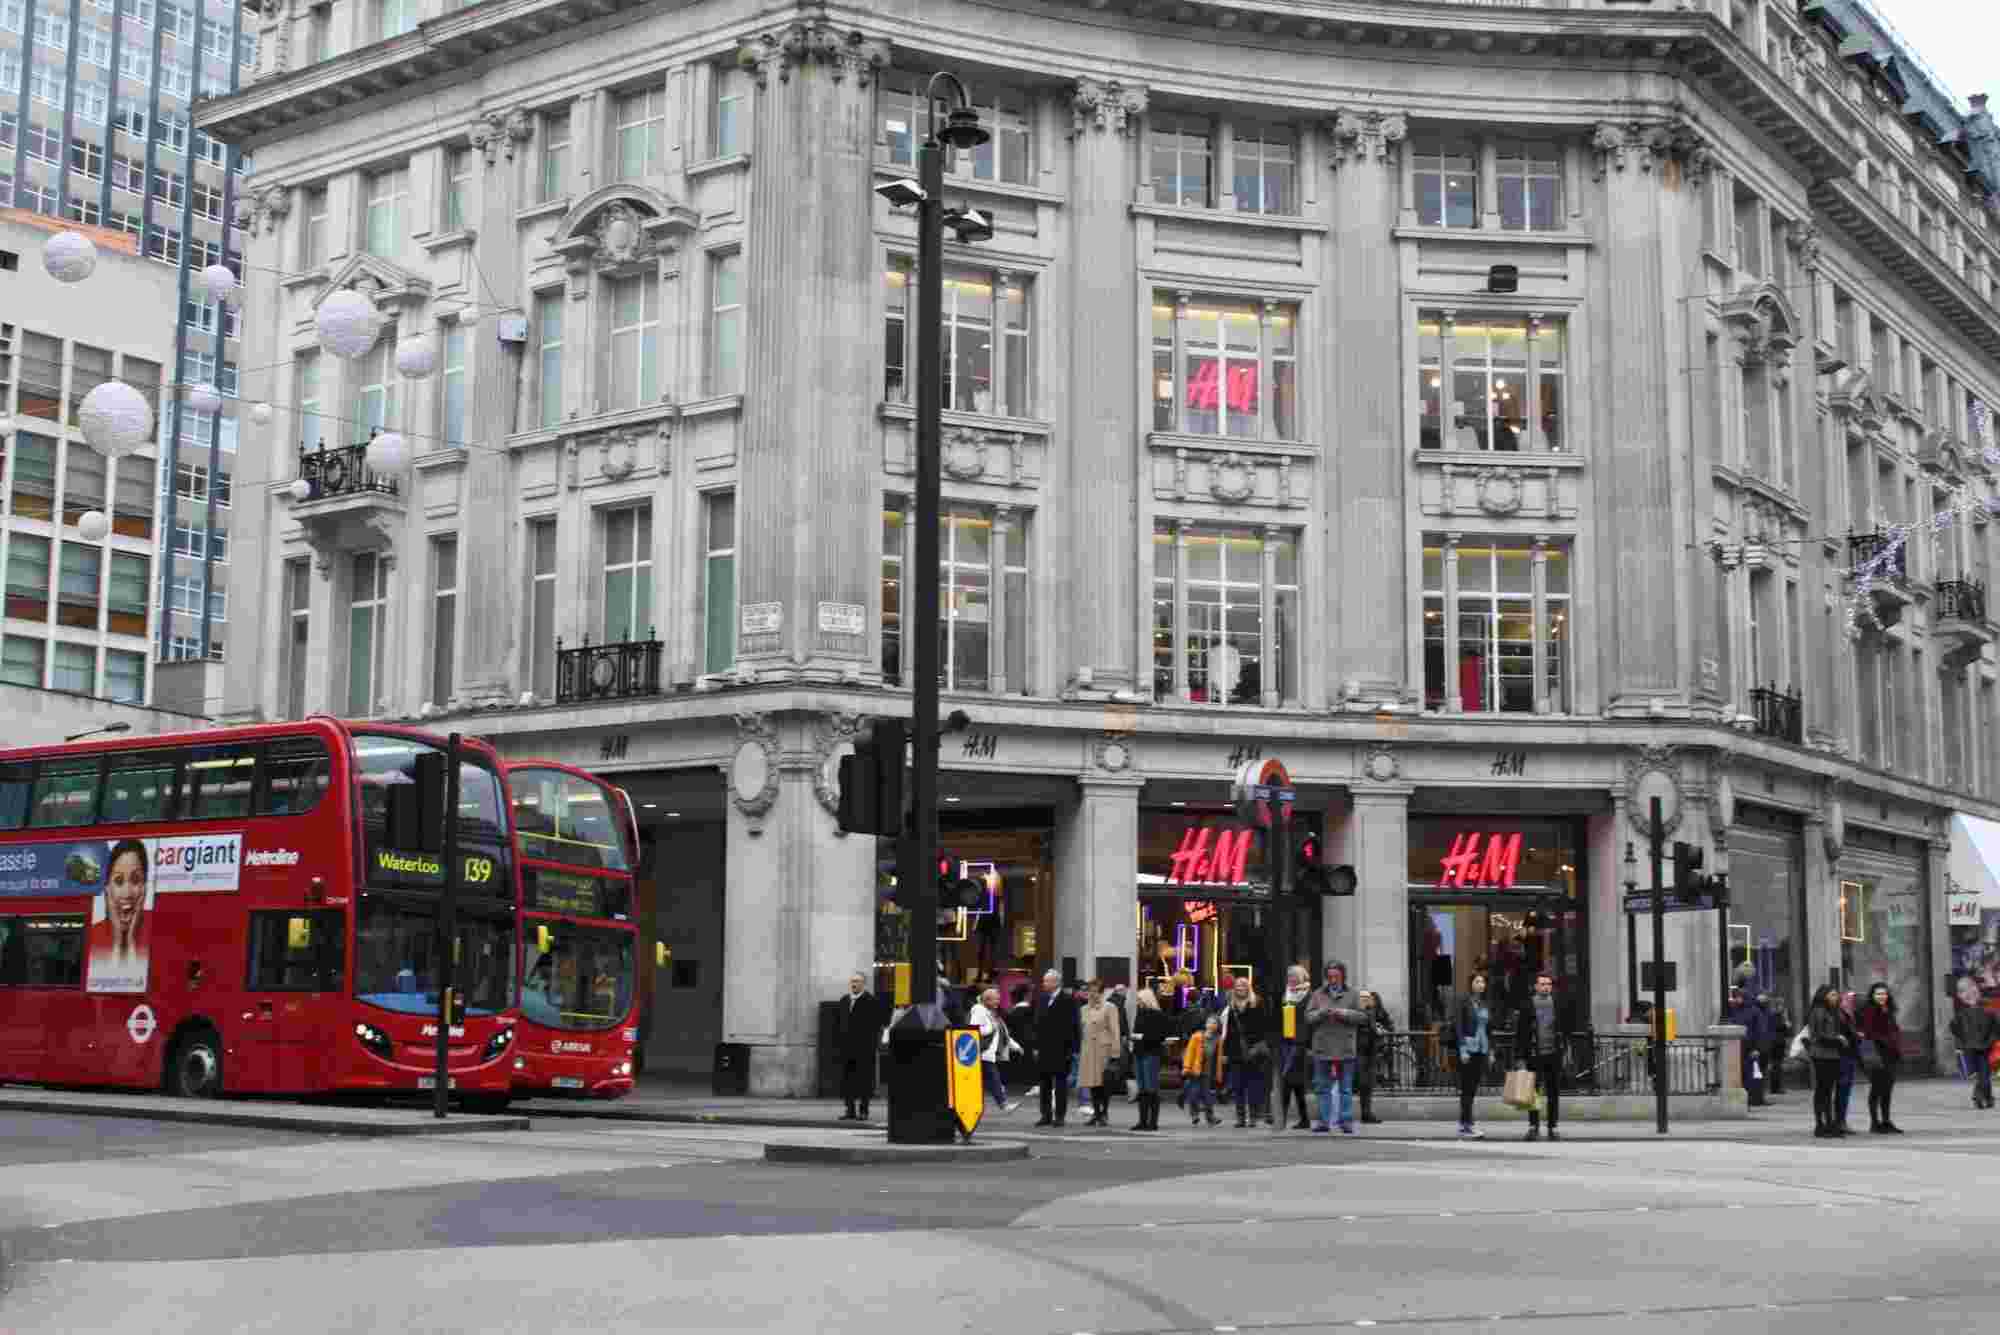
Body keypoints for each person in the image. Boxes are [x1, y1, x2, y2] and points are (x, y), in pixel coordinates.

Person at [1510, 972, 1575, 1142]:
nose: (1545, 986)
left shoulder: (1558, 1003)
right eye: (1542, 984)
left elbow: (1566, 1028)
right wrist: (1520, 1057)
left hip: (1554, 1053)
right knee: (1533, 1092)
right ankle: (1533, 1127)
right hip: (1534, 1053)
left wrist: (1566, 1050)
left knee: (1554, 1092)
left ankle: (1553, 1127)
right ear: (1536, 986)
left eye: (1548, 984)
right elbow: (1521, 1033)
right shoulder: (1528, 1005)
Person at [1303, 960, 1365, 1134]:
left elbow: (1362, 1017)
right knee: (1322, 1087)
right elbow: (1308, 1017)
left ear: (1342, 976)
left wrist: (1345, 1013)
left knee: (1346, 1088)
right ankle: (1324, 1121)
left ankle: (1345, 1121)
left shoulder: (1353, 994)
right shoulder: (1317, 994)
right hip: (1323, 1047)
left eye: (1336, 976)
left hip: (1345, 1046)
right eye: (1330, 976)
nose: (1333, 979)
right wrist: (1321, 1012)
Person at [85, 839, 150, 994]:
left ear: (145, 886)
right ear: (107, 889)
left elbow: (136, 987)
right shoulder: (97, 931)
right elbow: (105, 989)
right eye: (119, 881)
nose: (127, 894)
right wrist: (117, 943)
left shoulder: (155, 925)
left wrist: (131, 941)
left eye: (135, 880)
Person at [1218, 976, 1274, 1128]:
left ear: (1248, 987)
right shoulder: (1232, 1006)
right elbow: (1228, 1031)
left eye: (1243, 985)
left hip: (1254, 1050)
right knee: (1238, 1086)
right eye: (1237, 986)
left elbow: (1265, 1026)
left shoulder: (1258, 1003)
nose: (1239, 988)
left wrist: (1260, 1044)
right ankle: (1240, 1117)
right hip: (1236, 1051)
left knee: (1254, 1085)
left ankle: (1253, 1117)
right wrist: (1225, 1053)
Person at [1032, 970, 1082, 1127]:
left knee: (1060, 1084)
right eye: (1044, 981)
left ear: (1056, 983)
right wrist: (1036, 1046)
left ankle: (1060, 1115)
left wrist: (1073, 1049)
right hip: (1044, 1048)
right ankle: (1045, 1114)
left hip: (1061, 1049)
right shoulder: (1042, 999)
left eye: (1047, 981)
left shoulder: (1068, 1000)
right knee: (1044, 1083)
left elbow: (1074, 1025)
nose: (1044, 984)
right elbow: (1037, 1024)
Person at [833, 972, 884, 1121]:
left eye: (857, 982)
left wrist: (871, 1045)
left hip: (864, 1049)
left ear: (863, 984)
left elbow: (875, 1025)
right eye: (852, 982)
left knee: (864, 1080)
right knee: (847, 1080)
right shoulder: (844, 1001)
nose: (854, 984)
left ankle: (864, 1110)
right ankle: (849, 1110)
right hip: (846, 1048)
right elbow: (837, 1023)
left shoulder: (870, 1001)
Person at [1855, 983, 1904, 1134]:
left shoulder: (1888, 1010)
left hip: (1890, 1054)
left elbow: (1893, 1030)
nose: (1882, 997)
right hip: (1877, 1054)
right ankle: (1875, 1123)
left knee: (1887, 1089)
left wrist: (1895, 1040)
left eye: (1884, 994)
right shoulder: (1869, 1010)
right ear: (1872, 995)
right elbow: (1869, 1033)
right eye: (1878, 994)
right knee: (1877, 1088)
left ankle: (1886, 1121)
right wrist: (1887, 1039)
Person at [1806, 984, 1850, 1138]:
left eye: (1836, 995)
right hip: (1821, 1055)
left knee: (1828, 1090)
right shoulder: (1818, 1011)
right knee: (1822, 1090)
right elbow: (1818, 1035)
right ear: (1823, 996)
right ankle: (1821, 1124)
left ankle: (1829, 1123)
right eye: (1832, 995)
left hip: (1832, 1055)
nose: (1835, 998)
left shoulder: (1833, 1011)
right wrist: (1837, 1039)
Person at [969, 987, 1022, 1113]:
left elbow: (1002, 1034)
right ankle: (1003, 1105)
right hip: (982, 1053)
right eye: (995, 1000)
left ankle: (978, 1106)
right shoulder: (979, 1011)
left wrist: (1016, 1046)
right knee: (993, 1079)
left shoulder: (991, 1013)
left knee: (987, 1081)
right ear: (986, 1000)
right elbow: (974, 1029)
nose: (998, 1002)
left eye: (998, 999)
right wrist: (990, 1028)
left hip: (986, 1054)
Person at [1077, 979, 1121, 1128]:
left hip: (1104, 1049)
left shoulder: (1110, 1007)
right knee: (1092, 1083)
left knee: (1104, 1084)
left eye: (1095, 991)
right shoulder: (1083, 1009)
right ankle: (1096, 1113)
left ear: (1101, 992)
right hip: (1089, 1049)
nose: (1092, 994)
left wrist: (1115, 1053)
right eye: (1090, 991)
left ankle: (1104, 1112)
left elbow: (1115, 1031)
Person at [1949, 972, 1997, 1111]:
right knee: (1982, 1075)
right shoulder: (1961, 1014)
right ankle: (1983, 1096)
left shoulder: (1989, 1009)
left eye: (1971, 987)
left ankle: (1983, 1097)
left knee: (1984, 1074)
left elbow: (1996, 1027)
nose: (1969, 993)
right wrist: (1961, 1044)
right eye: (1963, 991)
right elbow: (1954, 1029)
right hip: (1970, 1048)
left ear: (1978, 988)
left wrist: (1991, 1040)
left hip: (1985, 1048)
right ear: (1959, 996)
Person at [1455, 972, 1493, 1140]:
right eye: (1477, 981)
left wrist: (1490, 1051)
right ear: (1471, 984)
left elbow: (1488, 1029)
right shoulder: (1464, 1001)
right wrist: (1462, 1049)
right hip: (1468, 1049)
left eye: (1483, 981)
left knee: (1472, 1088)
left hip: (1481, 1049)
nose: (1480, 984)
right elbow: (1459, 1026)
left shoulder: (1485, 1003)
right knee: (1467, 1089)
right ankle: (1466, 1124)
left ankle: (1466, 1123)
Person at [1130, 986, 1172, 1131]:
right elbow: (1136, 1032)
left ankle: (1153, 1122)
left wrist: (1141, 1037)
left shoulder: (1157, 1015)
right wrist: (1135, 1037)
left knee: (1151, 1088)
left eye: (1140, 999)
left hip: (1151, 1054)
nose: (1138, 1002)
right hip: (1139, 1053)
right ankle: (1142, 1121)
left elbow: (1161, 1035)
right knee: (1142, 1089)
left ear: (1147, 999)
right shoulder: (1139, 1014)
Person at [1276, 965, 1313, 1130]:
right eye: (1290, 976)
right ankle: (1303, 1119)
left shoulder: (1309, 995)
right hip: (1286, 1041)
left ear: (1302, 977)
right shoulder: (1286, 994)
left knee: (1288, 1079)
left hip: (1300, 1043)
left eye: (1295, 976)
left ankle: (1282, 1118)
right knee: (1295, 1083)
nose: (1291, 979)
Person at [1725, 986, 1772, 1107]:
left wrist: (1757, 1048)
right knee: (1743, 1074)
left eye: (1738, 997)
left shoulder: (1754, 1011)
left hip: (1750, 1048)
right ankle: (1746, 1098)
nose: (1736, 1000)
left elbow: (1760, 1031)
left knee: (1753, 1075)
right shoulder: (1734, 1010)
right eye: (1735, 997)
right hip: (1738, 1048)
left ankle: (1754, 1098)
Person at [1355, 989, 1392, 1126]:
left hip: (1371, 1050)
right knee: (1363, 1082)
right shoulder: (1358, 1012)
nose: (1365, 1000)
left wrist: (1382, 1029)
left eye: (1367, 998)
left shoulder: (1375, 1011)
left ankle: (1367, 1113)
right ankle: (1365, 1112)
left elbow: (1388, 1025)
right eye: (1362, 998)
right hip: (1359, 1050)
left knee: (1368, 1083)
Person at [1182, 1015, 1222, 1126]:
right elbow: (1189, 1053)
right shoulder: (1197, 1036)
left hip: (1208, 1072)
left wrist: (1218, 1073)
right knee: (1194, 1094)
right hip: (1195, 1071)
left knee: (1207, 1096)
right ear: (1206, 1024)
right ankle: (1194, 1115)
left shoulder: (1218, 1040)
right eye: (1209, 1022)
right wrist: (1186, 1068)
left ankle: (1210, 1117)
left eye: (1214, 1023)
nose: (1211, 1025)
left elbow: (1218, 1058)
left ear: (1218, 1026)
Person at [1834, 991, 1861, 1133]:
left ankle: (1841, 1120)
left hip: (1849, 1056)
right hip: (1841, 1058)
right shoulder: (1839, 1016)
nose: (1851, 1003)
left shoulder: (1851, 1016)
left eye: (1853, 1001)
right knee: (1842, 1090)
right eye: (1849, 1000)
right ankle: (1839, 1121)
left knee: (1845, 1090)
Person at [1762, 991, 1792, 1096]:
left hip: (1776, 1041)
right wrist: (1786, 1024)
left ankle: (1775, 1087)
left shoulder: (1773, 1014)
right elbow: (1781, 1027)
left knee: (1776, 1065)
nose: (1782, 1007)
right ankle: (1776, 1087)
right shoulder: (1776, 1015)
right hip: (1776, 1042)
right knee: (1776, 1065)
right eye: (1781, 1005)